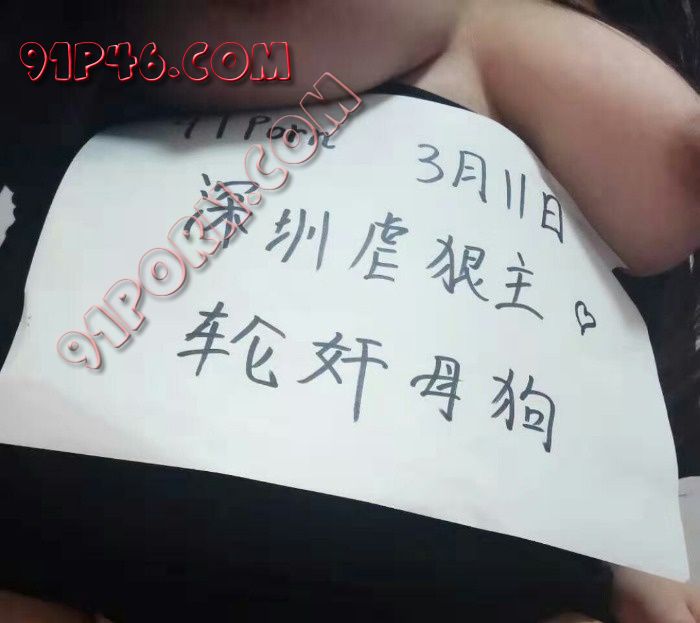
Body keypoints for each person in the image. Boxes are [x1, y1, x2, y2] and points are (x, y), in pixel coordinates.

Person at [1, 0, 698, 620]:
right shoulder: (101, 60)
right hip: (91, 488)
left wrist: (623, 532)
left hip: (488, 543)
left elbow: (663, 190)